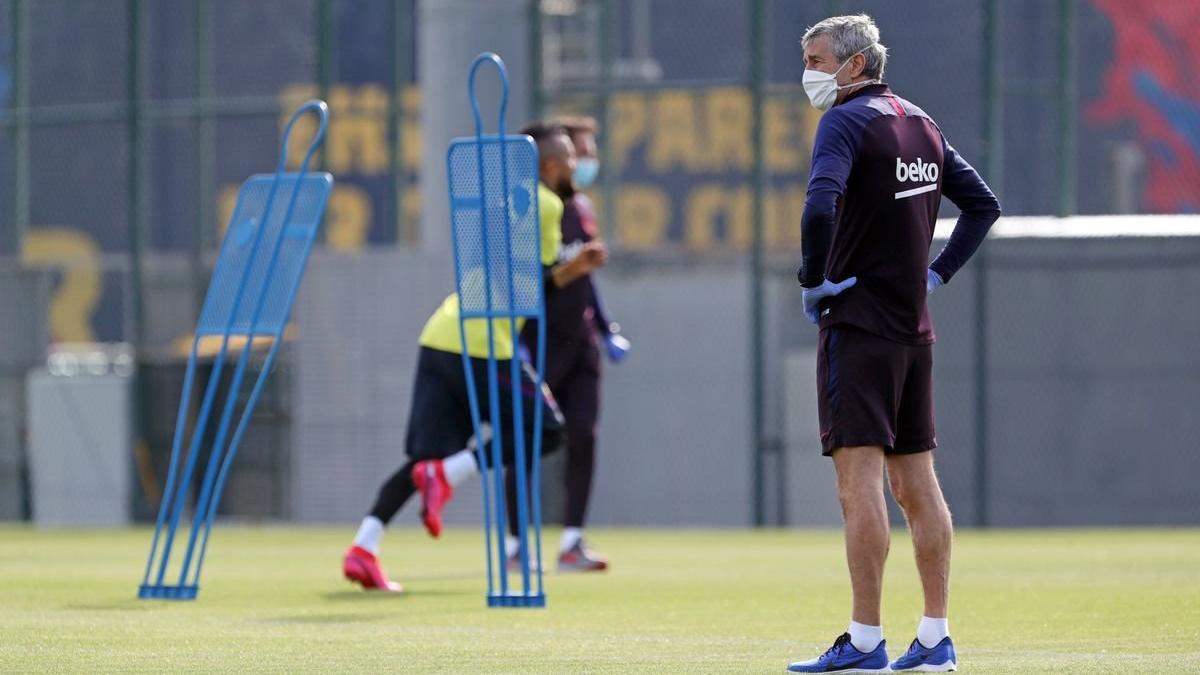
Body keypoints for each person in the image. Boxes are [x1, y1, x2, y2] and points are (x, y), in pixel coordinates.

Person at [786, 14, 1001, 673]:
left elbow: (820, 205)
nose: (809, 71)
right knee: (917, 484)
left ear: (854, 65)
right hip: (913, 331)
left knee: (860, 485)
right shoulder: (920, 122)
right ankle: (936, 636)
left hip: (857, 327)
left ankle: (865, 640)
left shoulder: (845, 122)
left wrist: (814, 280)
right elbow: (983, 204)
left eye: (817, 58)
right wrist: (933, 275)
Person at [341, 124, 608, 592]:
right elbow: (533, 287)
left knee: (422, 459)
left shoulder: (503, 199)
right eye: (568, 156)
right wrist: (575, 269)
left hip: (443, 332)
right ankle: (448, 473)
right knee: (547, 431)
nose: (576, 163)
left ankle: (364, 546)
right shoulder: (547, 203)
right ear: (548, 167)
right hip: (487, 343)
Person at [503, 116, 629, 573]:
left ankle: (572, 541)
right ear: (553, 159)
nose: (584, 161)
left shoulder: (579, 208)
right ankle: (516, 545)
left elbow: (585, 273)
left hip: (580, 342)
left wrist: (604, 328)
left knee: (584, 436)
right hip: (537, 342)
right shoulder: (525, 208)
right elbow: (528, 283)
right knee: (525, 440)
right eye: (579, 152)